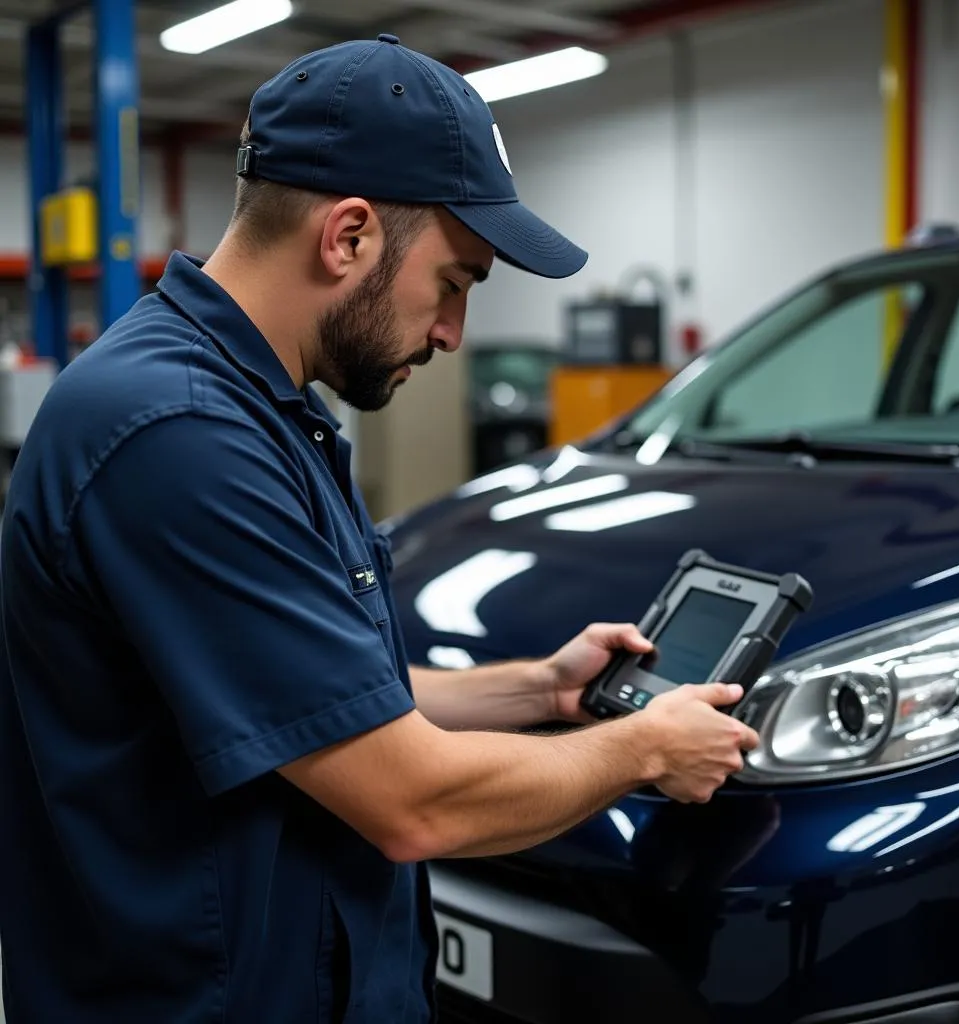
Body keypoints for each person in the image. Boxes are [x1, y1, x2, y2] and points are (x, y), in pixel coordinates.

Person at [0, 34, 759, 1024]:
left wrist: (537, 689)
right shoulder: (177, 435)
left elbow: (317, 697)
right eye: (454, 282)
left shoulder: (258, 412)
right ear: (348, 235)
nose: (452, 334)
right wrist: (644, 749)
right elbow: (415, 802)